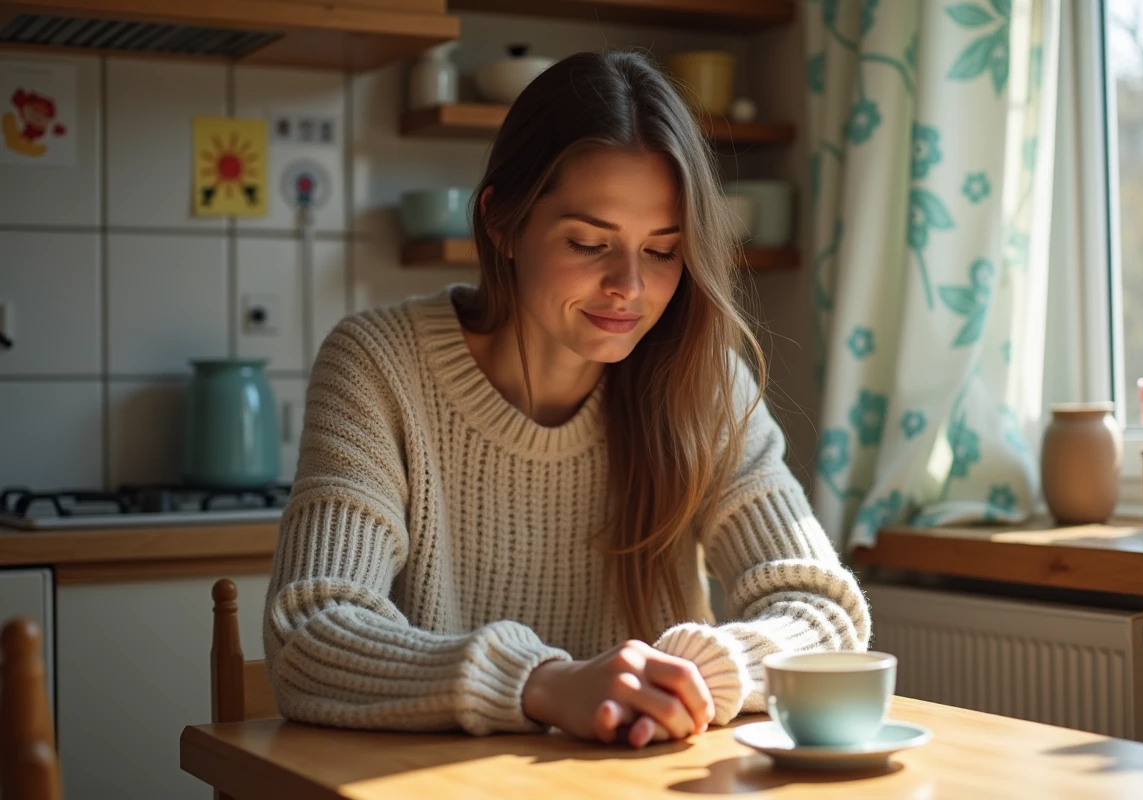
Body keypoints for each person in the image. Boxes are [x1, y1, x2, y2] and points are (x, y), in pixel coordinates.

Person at [263, 49, 870, 749]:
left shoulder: (704, 382)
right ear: (501, 222)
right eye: (589, 242)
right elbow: (311, 634)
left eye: (665, 250)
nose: (630, 288)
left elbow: (826, 611)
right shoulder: (378, 366)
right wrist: (541, 684)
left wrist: (699, 672)